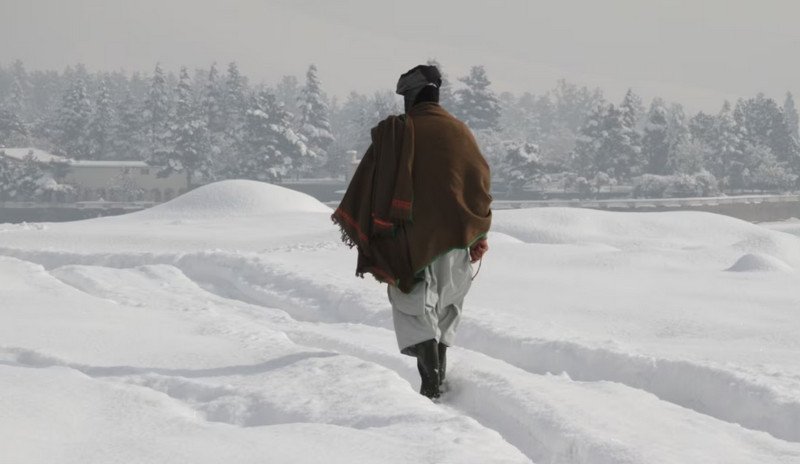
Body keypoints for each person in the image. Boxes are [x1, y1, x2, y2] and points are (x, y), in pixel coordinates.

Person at [332, 64, 492, 399]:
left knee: (415, 309)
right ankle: (439, 384)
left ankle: (431, 388)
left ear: (412, 95)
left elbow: (368, 186)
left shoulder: (399, 131)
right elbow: (480, 184)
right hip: (456, 243)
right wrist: (478, 234)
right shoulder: (461, 132)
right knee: (444, 311)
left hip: (410, 243)